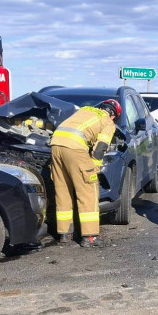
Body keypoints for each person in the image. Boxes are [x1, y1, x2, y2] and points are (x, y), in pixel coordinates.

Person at [49, 99, 120, 248]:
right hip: (75, 148)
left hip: (56, 145)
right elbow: (101, 146)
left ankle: (65, 233)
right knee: (88, 191)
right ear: (114, 115)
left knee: (62, 190)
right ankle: (90, 237)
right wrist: (94, 167)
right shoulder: (107, 121)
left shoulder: (84, 110)